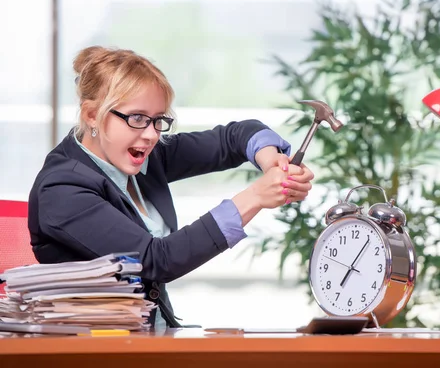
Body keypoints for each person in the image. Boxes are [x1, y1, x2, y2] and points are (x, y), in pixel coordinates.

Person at [27, 46, 314, 329]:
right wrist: (254, 197)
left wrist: (272, 162)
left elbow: (234, 138)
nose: (151, 135)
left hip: (155, 338)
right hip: (93, 352)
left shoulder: (143, 155)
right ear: (92, 115)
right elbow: (155, 260)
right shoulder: (62, 189)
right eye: (137, 118)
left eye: (159, 120)